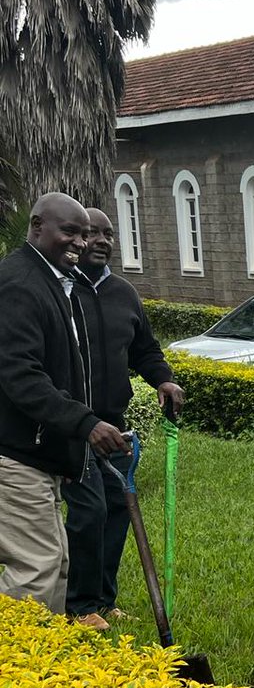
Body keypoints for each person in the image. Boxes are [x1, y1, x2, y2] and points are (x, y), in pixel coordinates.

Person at [0, 193, 129, 614]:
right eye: (69, 231)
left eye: (84, 233)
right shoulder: (20, 283)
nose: (79, 241)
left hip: (41, 457)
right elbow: (20, 376)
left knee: (55, 563)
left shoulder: (52, 281)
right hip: (15, 456)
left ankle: (47, 665)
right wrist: (85, 423)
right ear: (37, 226)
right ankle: (17, 670)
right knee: (35, 568)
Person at [61, 209, 184, 630]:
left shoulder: (124, 293)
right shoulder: (62, 291)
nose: (100, 240)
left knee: (117, 510)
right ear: (77, 239)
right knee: (88, 510)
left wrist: (164, 380)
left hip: (114, 422)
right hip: (73, 424)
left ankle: (103, 599)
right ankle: (78, 606)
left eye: (108, 233)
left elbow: (145, 350)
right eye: (91, 233)